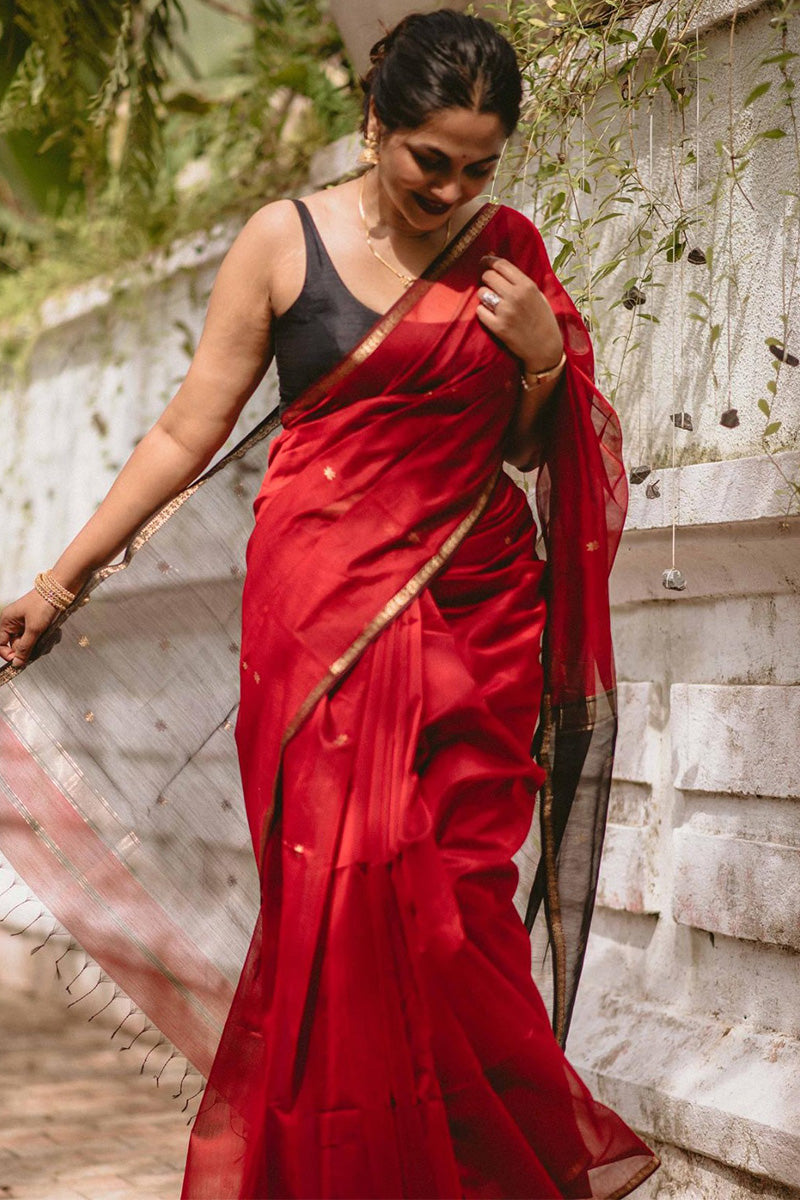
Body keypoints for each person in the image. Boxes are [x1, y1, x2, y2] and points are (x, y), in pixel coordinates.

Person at [0, 9, 658, 1198]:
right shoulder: (279, 240)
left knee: (456, 901)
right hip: (319, 622)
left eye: (476, 166)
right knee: (349, 903)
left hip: (479, 611)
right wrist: (60, 580)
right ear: (374, 122)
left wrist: (542, 358)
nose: (448, 188)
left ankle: (478, 1163)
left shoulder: (503, 249)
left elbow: (527, 446)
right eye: (428, 160)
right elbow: (187, 430)